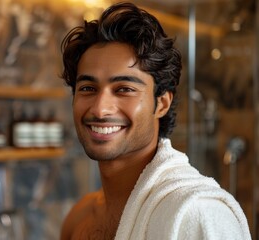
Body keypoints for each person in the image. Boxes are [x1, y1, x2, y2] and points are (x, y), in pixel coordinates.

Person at [59, 2, 251, 240]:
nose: (100, 108)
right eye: (88, 88)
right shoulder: (79, 218)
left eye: (124, 89)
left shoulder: (198, 213)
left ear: (161, 103)